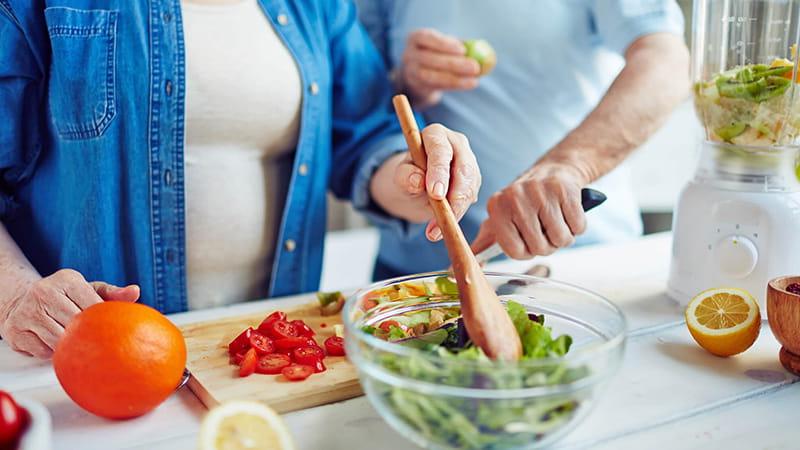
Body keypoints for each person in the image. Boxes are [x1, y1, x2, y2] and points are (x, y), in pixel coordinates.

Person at [0, 0, 481, 358]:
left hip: (264, 351)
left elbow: (365, 137)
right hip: (83, 361)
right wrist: (16, 295)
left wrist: (418, 178)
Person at [357, 0, 690, 279]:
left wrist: (569, 165)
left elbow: (665, 60)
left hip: (578, 257)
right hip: (418, 271)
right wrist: (407, 79)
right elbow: (354, 97)